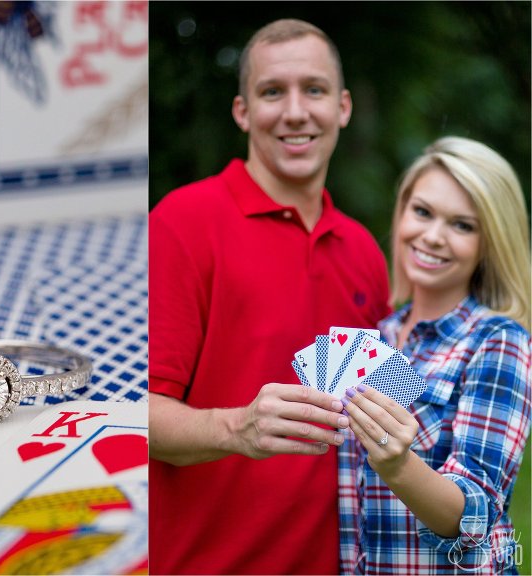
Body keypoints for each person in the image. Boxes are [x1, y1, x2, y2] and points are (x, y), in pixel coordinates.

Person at [149, 19, 391, 574]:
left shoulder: (364, 252)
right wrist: (238, 428)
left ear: (343, 107)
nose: (296, 112)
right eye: (273, 92)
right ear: (242, 111)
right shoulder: (182, 223)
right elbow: (137, 415)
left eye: (314, 90)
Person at [338, 136, 531, 574]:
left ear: (490, 242)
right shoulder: (376, 338)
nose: (432, 236)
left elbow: (475, 517)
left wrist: (398, 466)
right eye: (422, 212)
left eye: (462, 225)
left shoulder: (498, 340)